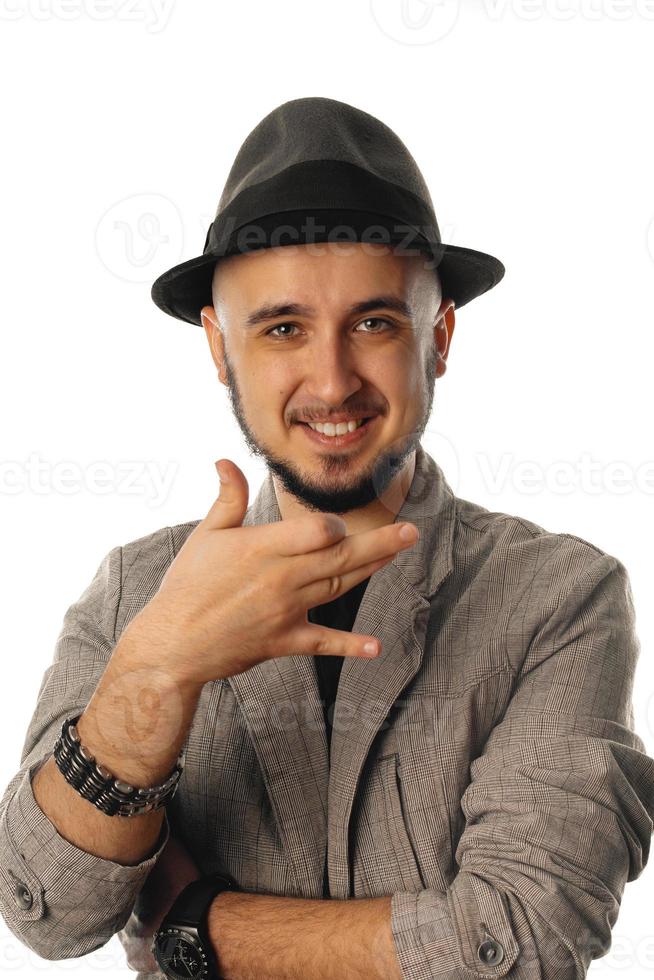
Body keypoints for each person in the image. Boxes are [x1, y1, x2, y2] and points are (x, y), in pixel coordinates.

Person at [1, 96, 653, 980]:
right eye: (282, 328)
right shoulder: (136, 592)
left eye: (375, 323)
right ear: (220, 350)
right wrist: (156, 671)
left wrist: (194, 925)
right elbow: (45, 910)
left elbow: (527, 938)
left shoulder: (558, 596)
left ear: (440, 337)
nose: (332, 379)